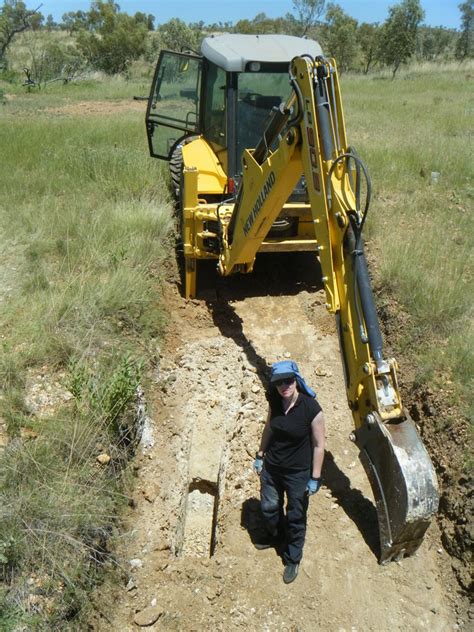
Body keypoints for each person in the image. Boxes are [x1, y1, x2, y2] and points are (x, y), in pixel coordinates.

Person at [253, 360, 325, 584]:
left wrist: (314, 478)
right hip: (272, 468)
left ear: (296, 380)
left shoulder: (311, 408)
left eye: (289, 380)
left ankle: (293, 557)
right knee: (268, 507)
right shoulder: (274, 401)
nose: (285, 385)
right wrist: (260, 454)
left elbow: (319, 445)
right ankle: (276, 536)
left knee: (295, 515)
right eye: (279, 382)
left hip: (298, 473)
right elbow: (268, 428)